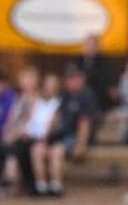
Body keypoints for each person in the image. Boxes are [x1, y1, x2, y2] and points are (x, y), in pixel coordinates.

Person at [41, 67, 99, 197]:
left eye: (74, 78)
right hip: (64, 134)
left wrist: (81, 144)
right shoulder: (64, 95)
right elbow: (56, 116)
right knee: (40, 149)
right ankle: (42, 186)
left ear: (82, 79)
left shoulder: (86, 96)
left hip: (77, 137)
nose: (71, 81)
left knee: (57, 150)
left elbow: (84, 123)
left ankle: (56, 186)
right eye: (69, 78)